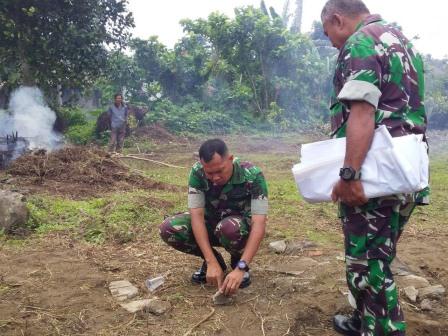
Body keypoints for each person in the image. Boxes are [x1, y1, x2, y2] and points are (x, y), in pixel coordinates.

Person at [320, 0, 429, 335]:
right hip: (408, 168)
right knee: (377, 253)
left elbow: (362, 113)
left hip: (376, 171)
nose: (332, 43)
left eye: (329, 34)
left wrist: (349, 175)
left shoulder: (361, 43)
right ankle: (363, 320)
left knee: (368, 262)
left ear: (338, 19)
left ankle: (380, 329)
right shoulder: (401, 40)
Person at [160, 139, 268, 296]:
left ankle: (238, 262)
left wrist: (241, 268)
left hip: (236, 231)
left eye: (220, 171)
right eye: (209, 173)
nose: (215, 177)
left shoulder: (253, 175)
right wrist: (211, 261)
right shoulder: (197, 172)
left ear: (230, 159)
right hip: (210, 225)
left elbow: (259, 223)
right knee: (169, 228)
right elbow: (196, 217)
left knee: (229, 228)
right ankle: (215, 263)